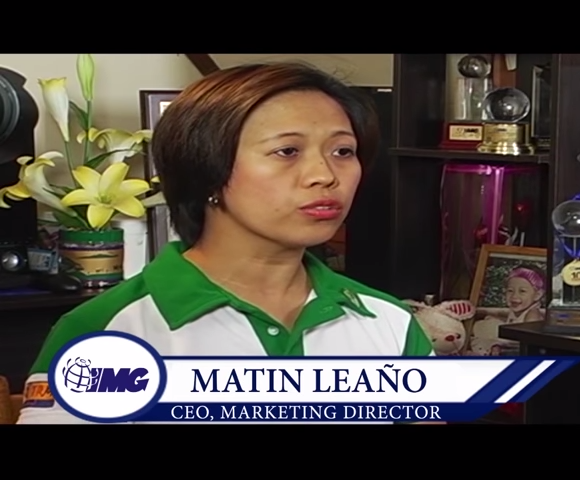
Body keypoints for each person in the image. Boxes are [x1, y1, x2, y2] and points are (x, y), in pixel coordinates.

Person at [17, 63, 435, 424]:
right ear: (206, 170)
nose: (325, 175)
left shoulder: (389, 323)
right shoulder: (108, 330)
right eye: (287, 151)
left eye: (343, 151)